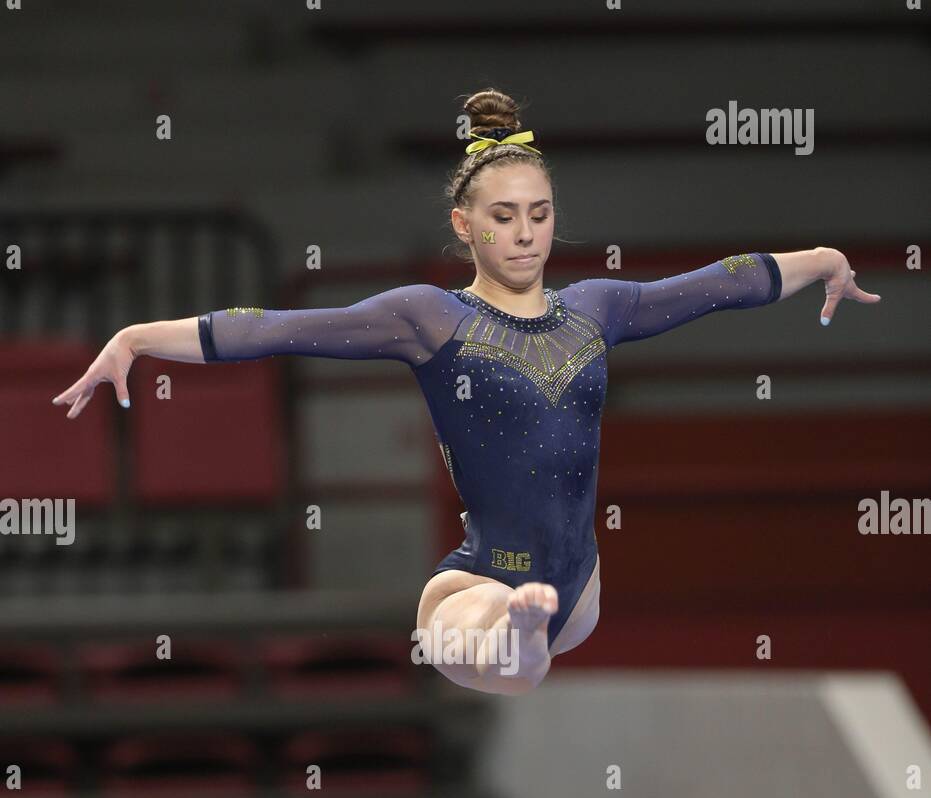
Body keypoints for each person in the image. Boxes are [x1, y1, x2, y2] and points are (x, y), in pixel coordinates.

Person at [52, 88, 880, 696]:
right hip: (477, 579)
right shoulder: (425, 319)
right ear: (464, 224)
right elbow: (274, 328)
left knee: (539, 635)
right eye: (503, 216)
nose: (523, 234)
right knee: (487, 641)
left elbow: (711, 285)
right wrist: (137, 338)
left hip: (579, 582)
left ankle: (528, 625)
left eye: (539, 215)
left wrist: (816, 261)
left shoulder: (596, 309)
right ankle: (514, 628)